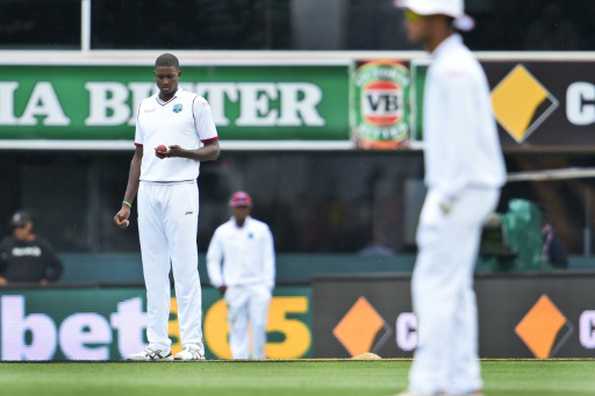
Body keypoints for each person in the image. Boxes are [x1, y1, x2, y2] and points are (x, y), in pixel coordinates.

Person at [395, 1, 506, 395]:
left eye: (412, 15)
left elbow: (459, 144)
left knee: (434, 287)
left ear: (436, 19)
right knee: (454, 289)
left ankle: (429, 385)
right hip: (466, 189)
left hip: (458, 192)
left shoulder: (454, 70)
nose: (406, 23)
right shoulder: (452, 64)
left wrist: (443, 199)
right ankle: (463, 382)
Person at [113, 53, 220, 361]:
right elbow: (138, 157)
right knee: (154, 271)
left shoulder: (195, 104)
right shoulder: (145, 107)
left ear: (179, 74)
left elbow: (214, 149)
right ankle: (158, 345)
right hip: (148, 191)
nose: (164, 82)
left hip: (181, 190)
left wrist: (181, 152)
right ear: (154, 76)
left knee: (185, 269)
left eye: (169, 76)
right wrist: (126, 204)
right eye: (160, 77)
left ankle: (193, 347)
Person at [206, 191, 275, 360]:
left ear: (249, 208)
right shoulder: (222, 232)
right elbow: (213, 259)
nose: (241, 211)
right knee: (237, 326)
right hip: (234, 286)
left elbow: (268, 259)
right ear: (232, 208)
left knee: (259, 324)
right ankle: (239, 360)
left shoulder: (261, 229)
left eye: (244, 207)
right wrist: (219, 282)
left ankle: (259, 358)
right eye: (238, 207)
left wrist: (267, 286)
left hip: (257, 285)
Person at [0, 211, 62, 286]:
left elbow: (57, 267)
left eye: (21, 226)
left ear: (29, 226)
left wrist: (48, 280)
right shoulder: (6, 244)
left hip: (35, 291)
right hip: (12, 291)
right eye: (15, 227)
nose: (18, 230)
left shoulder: (41, 244)